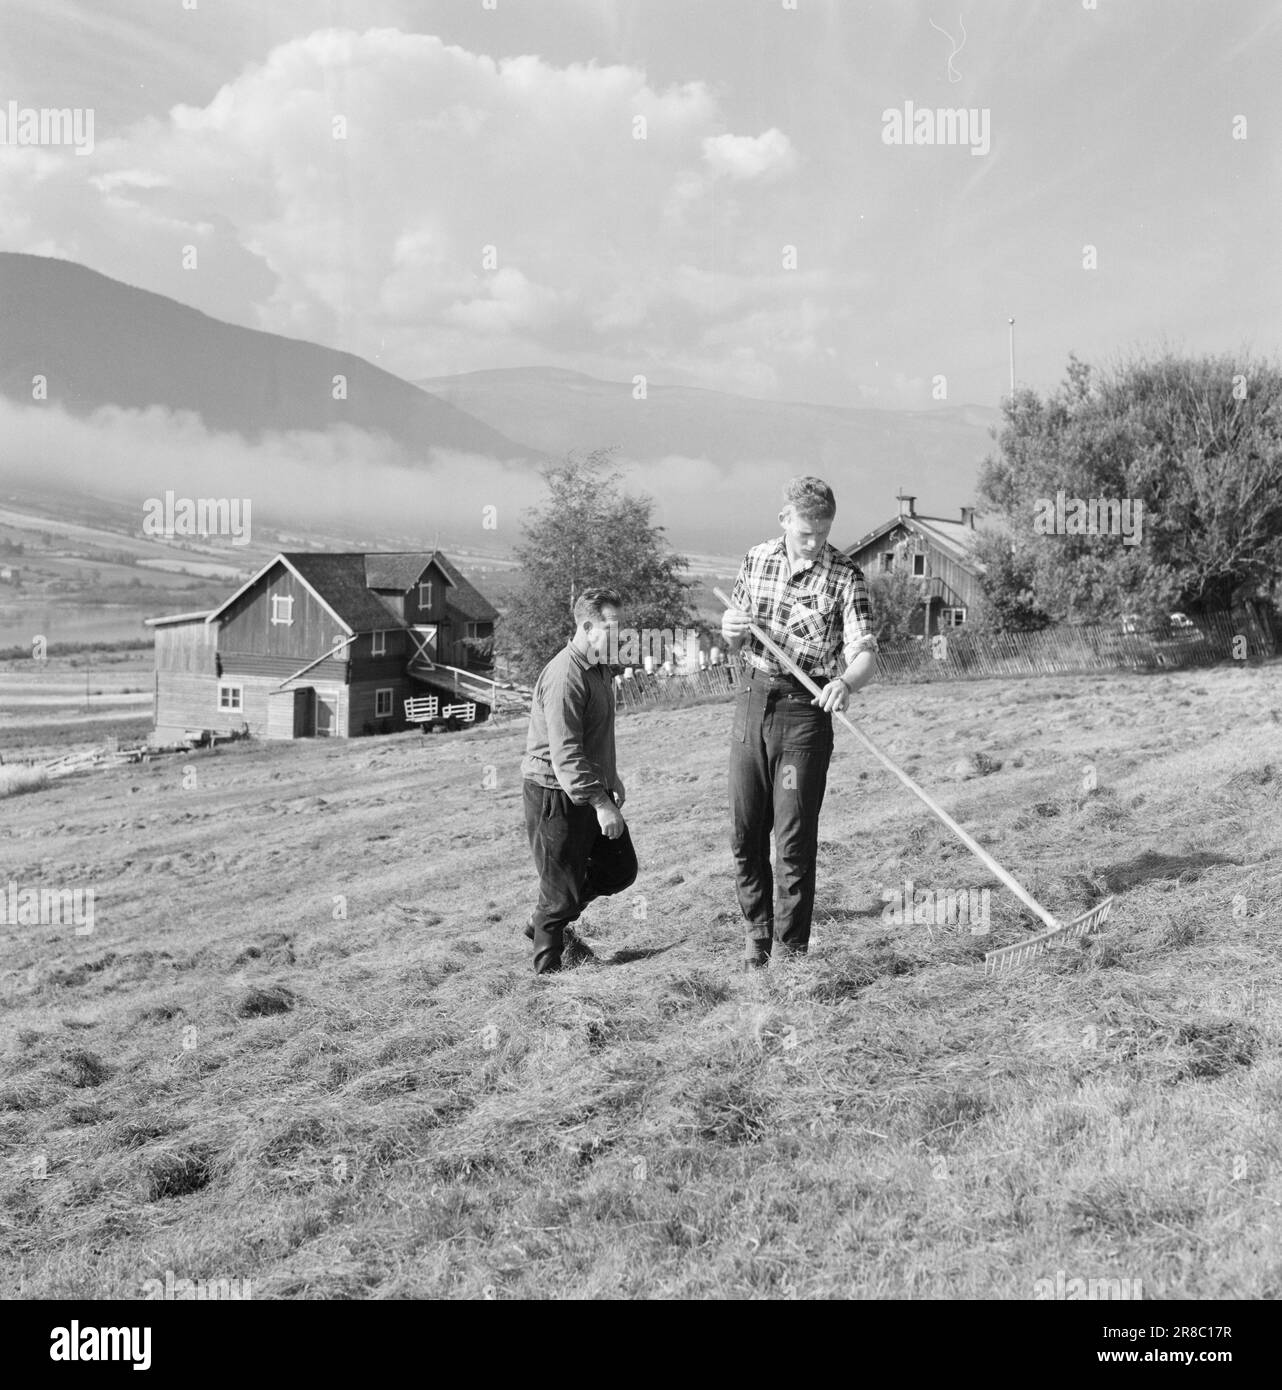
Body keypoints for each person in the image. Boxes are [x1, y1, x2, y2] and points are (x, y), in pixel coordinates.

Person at [720, 476, 878, 970]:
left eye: (823, 532)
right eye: (807, 532)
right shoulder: (756, 559)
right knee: (746, 831)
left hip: (805, 714)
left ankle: (791, 956)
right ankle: (757, 936)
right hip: (752, 698)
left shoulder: (845, 576)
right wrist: (730, 632)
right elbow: (735, 639)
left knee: (791, 840)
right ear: (785, 518)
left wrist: (846, 684)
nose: (815, 543)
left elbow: (865, 654)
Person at [520, 587, 637, 974]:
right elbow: (566, 754)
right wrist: (601, 804)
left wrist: (611, 774)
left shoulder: (601, 667)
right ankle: (546, 983)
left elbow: (595, 733)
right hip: (554, 793)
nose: (622, 637)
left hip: (586, 785)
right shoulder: (565, 676)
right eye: (614, 628)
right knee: (558, 897)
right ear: (587, 626)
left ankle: (543, 920)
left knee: (620, 869)